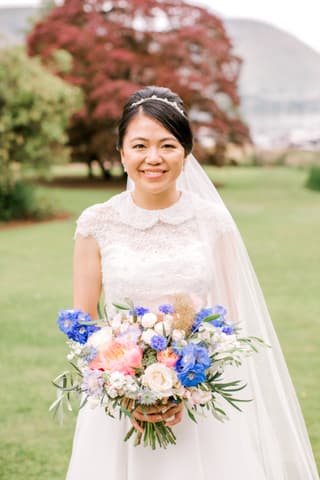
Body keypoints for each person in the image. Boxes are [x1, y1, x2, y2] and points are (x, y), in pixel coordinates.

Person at [67, 86, 319, 479]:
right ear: (121, 153)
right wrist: (128, 390)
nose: (153, 158)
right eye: (139, 145)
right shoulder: (95, 224)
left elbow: (230, 325)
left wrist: (183, 388)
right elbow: (83, 327)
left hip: (200, 404)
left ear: (186, 153)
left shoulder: (213, 221)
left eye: (167, 145)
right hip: (117, 408)